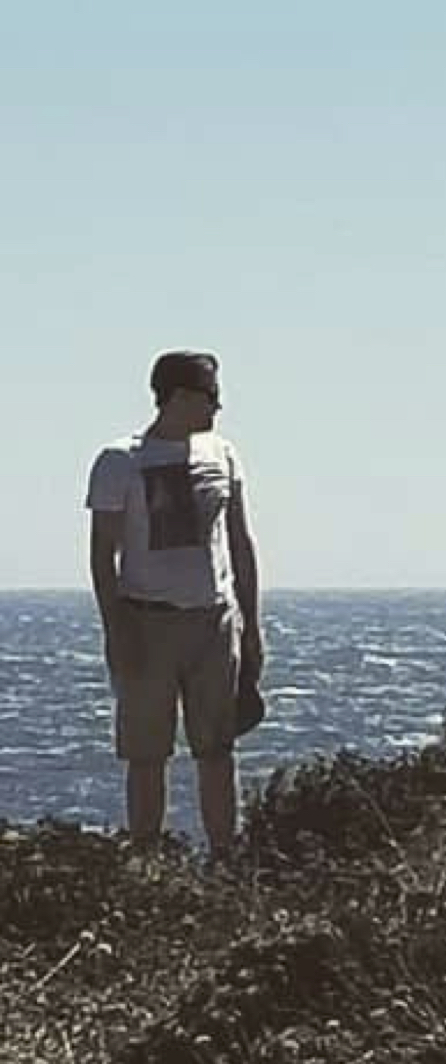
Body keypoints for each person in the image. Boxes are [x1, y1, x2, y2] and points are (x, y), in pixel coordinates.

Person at [86, 350, 264, 856]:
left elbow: (240, 542)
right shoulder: (121, 460)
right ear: (180, 396)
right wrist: (116, 628)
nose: (218, 406)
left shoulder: (223, 454)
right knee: (146, 752)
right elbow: (103, 553)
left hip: (213, 621)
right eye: (211, 396)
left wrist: (251, 627)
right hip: (147, 620)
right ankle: (146, 857)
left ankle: (224, 857)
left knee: (217, 748)